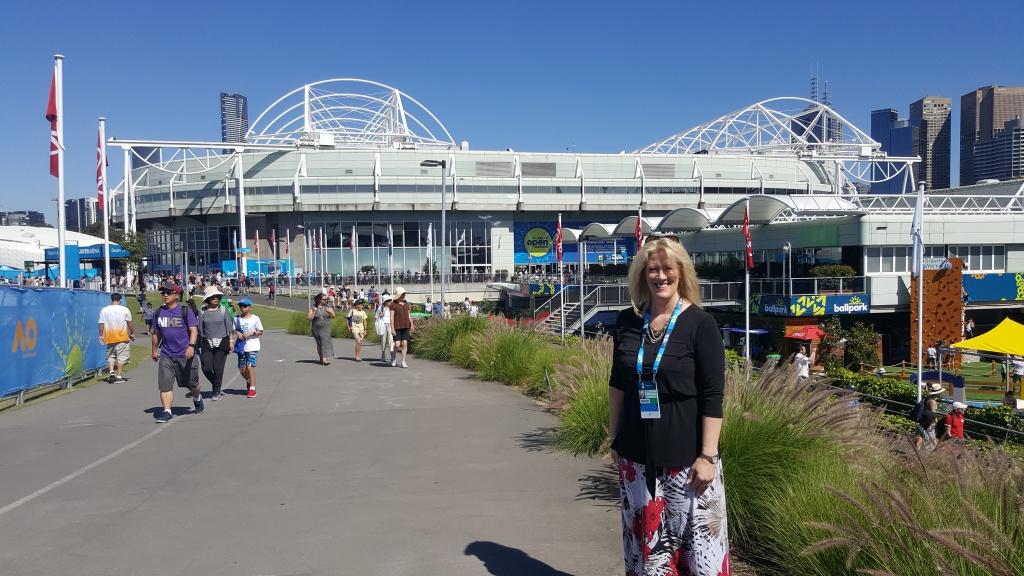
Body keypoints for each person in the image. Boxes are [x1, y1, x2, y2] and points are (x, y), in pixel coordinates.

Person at [608, 237, 730, 575]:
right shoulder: (628, 322)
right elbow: (618, 383)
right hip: (636, 457)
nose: (660, 276)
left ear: (681, 273)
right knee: (648, 555)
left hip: (686, 463)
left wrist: (708, 455)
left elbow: (712, 395)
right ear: (642, 275)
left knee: (694, 554)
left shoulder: (700, 325)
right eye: (652, 270)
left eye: (667, 269)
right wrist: (614, 437)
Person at [151, 282, 203, 423]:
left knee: (192, 384)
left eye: (168, 292)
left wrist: (191, 346)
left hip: (185, 354)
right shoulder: (159, 312)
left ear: (176, 295)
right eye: (163, 293)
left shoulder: (185, 311)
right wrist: (154, 350)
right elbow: (156, 333)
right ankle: (167, 411)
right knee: (165, 384)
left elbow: (194, 330)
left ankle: (197, 397)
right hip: (166, 354)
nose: (165, 295)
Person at [198, 286, 233, 401]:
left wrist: (231, 341)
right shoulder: (202, 311)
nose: (215, 298)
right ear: (208, 299)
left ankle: (216, 391)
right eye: (212, 297)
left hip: (222, 341)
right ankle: (216, 383)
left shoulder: (223, 310)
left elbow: (229, 327)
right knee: (206, 368)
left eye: (217, 296)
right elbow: (200, 329)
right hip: (207, 341)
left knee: (218, 368)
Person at [98, 292, 134, 383]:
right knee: (121, 357)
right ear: (120, 300)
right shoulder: (125, 310)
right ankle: (119, 376)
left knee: (111, 355)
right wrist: (132, 333)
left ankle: (111, 371)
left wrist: (101, 335)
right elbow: (130, 323)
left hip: (110, 337)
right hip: (122, 337)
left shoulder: (104, 310)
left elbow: (101, 324)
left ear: (111, 299)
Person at [233, 299, 263, 398]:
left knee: (250, 366)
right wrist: (237, 333)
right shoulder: (236, 318)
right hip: (241, 347)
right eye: (241, 305)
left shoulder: (255, 318)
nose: (242, 307)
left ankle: (252, 389)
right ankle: (249, 381)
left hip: (252, 346)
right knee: (242, 369)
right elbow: (234, 329)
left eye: (245, 306)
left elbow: (260, 331)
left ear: (250, 307)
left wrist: (252, 333)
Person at [912, 383, 943, 451]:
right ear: (938, 393)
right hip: (929, 423)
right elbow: (933, 414)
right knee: (931, 439)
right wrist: (936, 422)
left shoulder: (927, 399)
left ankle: (916, 451)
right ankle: (928, 453)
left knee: (920, 436)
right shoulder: (933, 402)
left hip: (924, 420)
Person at [308, 292, 336, 365]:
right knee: (319, 344)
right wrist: (314, 311)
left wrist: (330, 312)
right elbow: (309, 318)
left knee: (325, 343)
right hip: (316, 329)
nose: (325, 300)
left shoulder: (328, 307)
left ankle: (324, 359)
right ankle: (321, 358)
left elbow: (333, 316)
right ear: (319, 300)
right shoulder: (313, 308)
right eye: (324, 299)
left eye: (326, 299)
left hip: (326, 328)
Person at [390, 287, 414, 368]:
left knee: (404, 344)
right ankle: (393, 357)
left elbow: (409, 314)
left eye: (405, 293)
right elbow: (391, 317)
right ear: (399, 294)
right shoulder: (393, 304)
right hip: (397, 327)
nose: (404, 295)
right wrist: (392, 328)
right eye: (403, 294)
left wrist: (412, 323)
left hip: (405, 326)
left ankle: (403, 361)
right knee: (397, 344)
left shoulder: (406, 303)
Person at [376, 295, 395, 364]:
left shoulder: (392, 308)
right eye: (388, 301)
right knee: (383, 341)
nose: (390, 302)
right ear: (385, 302)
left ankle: (392, 358)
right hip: (383, 325)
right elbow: (376, 317)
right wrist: (380, 316)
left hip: (390, 325)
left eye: (390, 300)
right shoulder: (380, 308)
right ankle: (383, 354)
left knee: (391, 341)